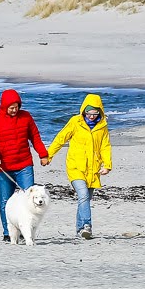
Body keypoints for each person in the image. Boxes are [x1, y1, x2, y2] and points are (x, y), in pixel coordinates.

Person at [0, 88, 50, 242]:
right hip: (3, 168)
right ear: (4, 106)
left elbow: (35, 136)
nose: (14, 110)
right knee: (6, 201)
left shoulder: (26, 117)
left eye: (16, 106)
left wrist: (43, 154)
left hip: (24, 164)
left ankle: (26, 231)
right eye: (11, 107)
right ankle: (8, 232)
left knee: (29, 198)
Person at [46, 94, 114, 239]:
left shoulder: (102, 126)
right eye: (89, 113)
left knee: (85, 199)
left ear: (100, 112)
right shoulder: (75, 122)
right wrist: (49, 155)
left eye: (95, 114)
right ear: (84, 111)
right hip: (75, 166)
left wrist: (107, 165)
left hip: (93, 169)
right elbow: (61, 138)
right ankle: (87, 226)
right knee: (82, 195)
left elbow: (105, 146)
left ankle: (79, 230)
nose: (91, 116)